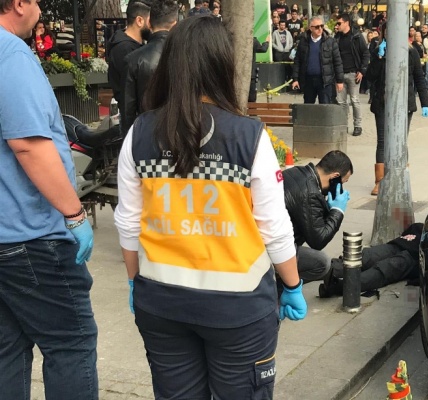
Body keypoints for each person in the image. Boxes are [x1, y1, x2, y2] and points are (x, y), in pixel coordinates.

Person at [114, 16, 306, 399]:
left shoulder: (139, 134)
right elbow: (274, 226)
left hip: (162, 304)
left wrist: (136, 281)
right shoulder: (249, 136)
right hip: (238, 311)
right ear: (222, 65)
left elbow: (128, 222)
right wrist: (292, 284)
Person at [0, 0, 97, 398]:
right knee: (70, 343)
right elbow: (28, 146)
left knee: (8, 349)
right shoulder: (11, 56)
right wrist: (74, 214)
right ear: (19, 4)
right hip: (32, 237)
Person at [367, 23, 428, 196]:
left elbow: (419, 77)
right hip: (382, 102)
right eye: (388, 31)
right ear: (384, 33)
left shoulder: (411, 52)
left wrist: (425, 102)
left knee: (401, 141)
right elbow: (370, 77)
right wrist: (379, 58)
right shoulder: (378, 51)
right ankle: (380, 181)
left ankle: (402, 178)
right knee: (383, 141)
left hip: (404, 104)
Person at [282, 151, 353, 286]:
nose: (341, 188)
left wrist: (326, 207)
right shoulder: (311, 194)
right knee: (321, 263)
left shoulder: (298, 171)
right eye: (342, 182)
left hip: (266, 238)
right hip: (273, 249)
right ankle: (280, 289)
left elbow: (311, 220)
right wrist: (337, 211)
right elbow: (318, 240)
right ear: (335, 177)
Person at [321, 223, 424, 297]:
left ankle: (338, 286)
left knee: (383, 270)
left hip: (415, 256)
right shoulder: (419, 227)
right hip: (400, 245)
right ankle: (328, 269)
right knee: (367, 256)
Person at [123, 0, 177, 134]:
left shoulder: (133, 59)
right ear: (175, 25)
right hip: (178, 134)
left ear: (149, 23)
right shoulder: (187, 55)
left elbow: (128, 110)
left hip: (145, 132)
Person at [107, 0, 151, 135]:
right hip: (133, 119)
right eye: (150, 21)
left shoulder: (130, 45)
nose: (153, 26)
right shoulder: (124, 49)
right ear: (139, 21)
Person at [291, 16, 344, 104]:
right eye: (317, 27)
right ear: (310, 28)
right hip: (308, 80)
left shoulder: (330, 42)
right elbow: (297, 62)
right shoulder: (303, 42)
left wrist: (340, 81)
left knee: (325, 107)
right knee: (308, 107)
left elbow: (338, 62)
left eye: (321, 26)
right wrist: (295, 79)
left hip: (325, 81)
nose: (320, 29)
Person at [334, 13, 370, 137]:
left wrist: (362, 71)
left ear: (346, 23)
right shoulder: (337, 37)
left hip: (353, 73)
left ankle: (358, 125)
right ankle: (343, 125)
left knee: (355, 100)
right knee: (341, 102)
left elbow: (365, 53)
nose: (337, 25)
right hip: (339, 75)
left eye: (339, 23)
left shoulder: (356, 36)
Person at [250, 35, 270, 102]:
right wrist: (267, 42)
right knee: (252, 97)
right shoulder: (252, 40)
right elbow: (263, 49)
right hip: (251, 73)